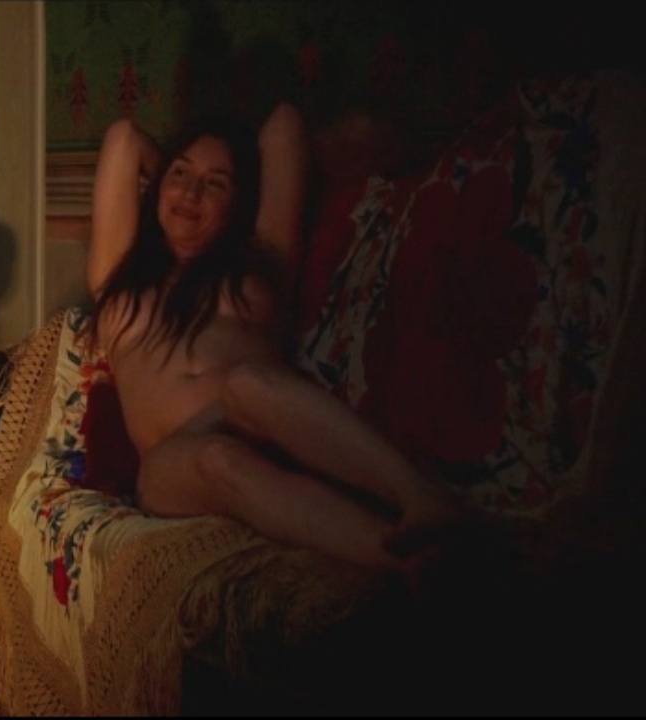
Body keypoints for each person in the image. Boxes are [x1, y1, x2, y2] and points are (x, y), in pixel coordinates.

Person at [83, 104, 468, 588]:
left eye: (215, 184)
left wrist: (203, 172)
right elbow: (123, 139)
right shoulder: (118, 282)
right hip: (172, 465)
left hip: (260, 419)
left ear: (238, 204)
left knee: (247, 384)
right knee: (218, 457)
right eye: (180, 174)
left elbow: (284, 126)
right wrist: (176, 179)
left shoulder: (261, 266)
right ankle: (398, 558)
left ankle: (423, 497)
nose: (191, 193)